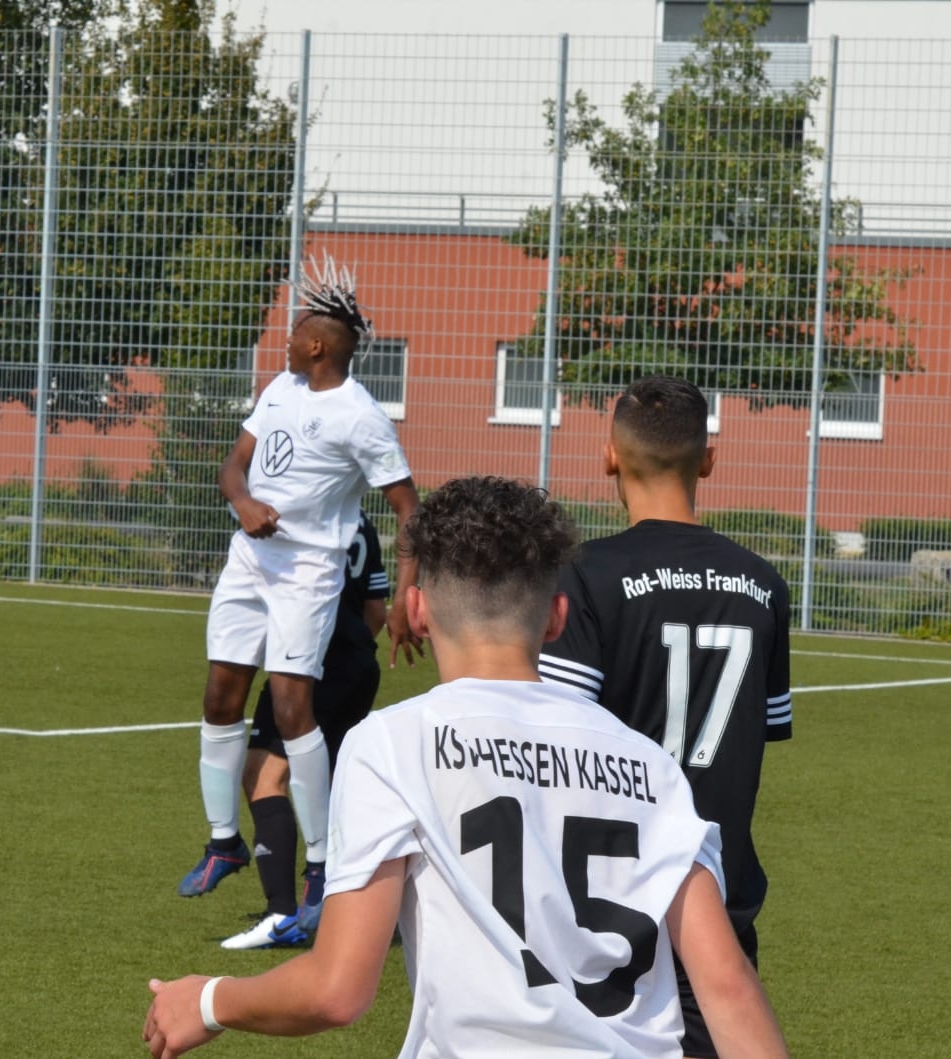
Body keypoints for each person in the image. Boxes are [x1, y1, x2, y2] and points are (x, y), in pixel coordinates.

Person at [144, 476, 790, 1059]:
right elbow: (727, 985)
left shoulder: (392, 743)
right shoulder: (651, 765)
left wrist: (207, 1000)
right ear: (557, 618)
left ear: (418, 610)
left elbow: (337, 990)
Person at [537, 374, 792, 1057]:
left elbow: (558, 736)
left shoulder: (585, 574)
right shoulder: (763, 584)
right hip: (720, 891)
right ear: (708, 459)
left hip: (607, 895)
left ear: (609, 457)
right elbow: (761, 729)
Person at [179, 255, 423, 924]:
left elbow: (409, 508)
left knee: (292, 707)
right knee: (220, 696)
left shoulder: (360, 415)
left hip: (309, 573)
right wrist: (243, 504)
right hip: (249, 561)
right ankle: (223, 841)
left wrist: (406, 595)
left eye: (294, 332)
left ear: (318, 345)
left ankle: (320, 863)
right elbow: (234, 465)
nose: (285, 339)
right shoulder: (279, 389)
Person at [220, 513, 390, 950]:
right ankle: (362, 904)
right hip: (359, 663)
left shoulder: (290, 512)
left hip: (306, 665)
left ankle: (284, 912)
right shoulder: (359, 520)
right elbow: (376, 610)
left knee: (263, 775)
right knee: (332, 783)